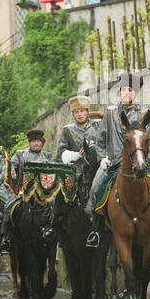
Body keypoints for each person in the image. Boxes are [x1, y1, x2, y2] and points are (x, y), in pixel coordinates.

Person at [85, 73, 150, 248]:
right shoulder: (110, 113)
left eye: (131, 90)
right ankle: (95, 231)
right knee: (96, 188)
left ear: (136, 93)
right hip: (113, 160)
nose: (128, 93)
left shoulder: (143, 113)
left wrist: (144, 156)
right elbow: (100, 141)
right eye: (125, 90)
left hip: (141, 158)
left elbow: (147, 138)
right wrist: (102, 157)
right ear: (120, 92)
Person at [43, 95, 101, 240]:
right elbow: (61, 151)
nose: (80, 114)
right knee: (61, 194)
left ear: (87, 111)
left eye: (82, 111)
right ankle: (54, 224)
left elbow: (105, 144)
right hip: (75, 170)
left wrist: (104, 157)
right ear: (73, 114)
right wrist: (73, 155)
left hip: (97, 167)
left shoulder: (98, 126)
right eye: (76, 112)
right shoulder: (67, 130)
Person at [2, 129, 53, 250]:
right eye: (34, 141)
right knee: (8, 206)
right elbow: (12, 170)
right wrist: (7, 168)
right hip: (22, 193)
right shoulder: (20, 154)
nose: (36, 143)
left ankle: (54, 233)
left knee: (57, 207)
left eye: (38, 141)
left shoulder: (47, 156)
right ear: (29, 142)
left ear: (42, 142)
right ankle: (8, 238)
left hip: (44, 194)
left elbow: (52, 172)